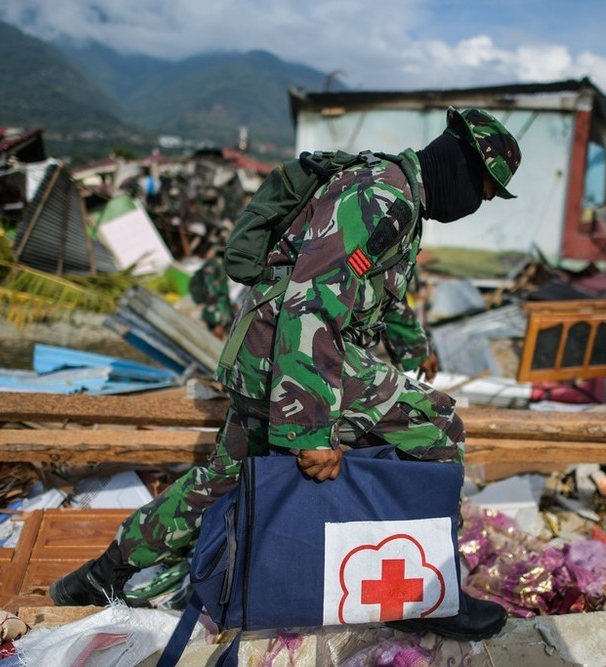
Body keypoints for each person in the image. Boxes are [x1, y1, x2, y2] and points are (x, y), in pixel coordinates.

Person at [51, 107, 521, 641]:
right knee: (437, 427)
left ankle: (99, 574)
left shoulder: (394, 193)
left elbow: (377, 294)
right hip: (297, 361)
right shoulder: (384, 199)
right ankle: (420, 597)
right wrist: (311, 432)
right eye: (483, 191)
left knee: (219, 479)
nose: (478, 204)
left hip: (264, 360)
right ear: (463, 165)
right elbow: (311, 305)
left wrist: (414, 346)